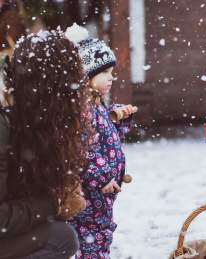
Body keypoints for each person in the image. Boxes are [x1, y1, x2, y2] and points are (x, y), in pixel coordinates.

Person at [0, 29, 90, 258]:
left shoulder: (21, 119)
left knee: (62, 236)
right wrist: (52, 204)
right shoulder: (2, 125)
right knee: (60, 238)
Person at [65, 24, 137, 259]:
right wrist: (103, 176)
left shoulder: (96, 103)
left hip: (102, 191)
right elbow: (83, 146)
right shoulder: (83, 108)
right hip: (91, 189)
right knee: (93, 234)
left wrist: (118, 116)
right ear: (85, 76)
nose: (111, 78)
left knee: (101, 232)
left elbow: (103, 131)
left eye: (111, 72)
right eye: (104, 73)